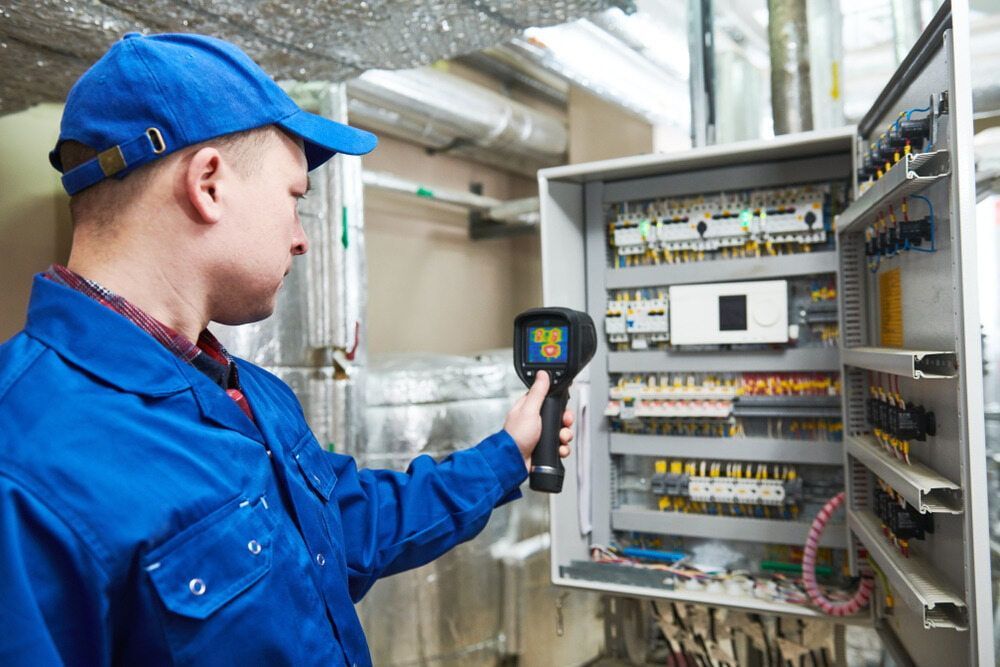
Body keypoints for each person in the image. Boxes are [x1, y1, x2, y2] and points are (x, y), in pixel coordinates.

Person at [0, 33, 574, 666]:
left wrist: (505, 456)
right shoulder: (23, 461)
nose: (301, 240)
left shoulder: (248, 393)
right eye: (295, 199)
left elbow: (342, 530)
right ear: (209, 184)